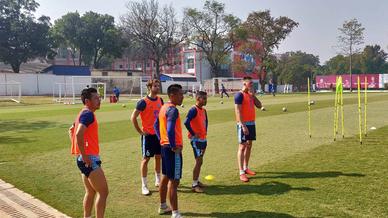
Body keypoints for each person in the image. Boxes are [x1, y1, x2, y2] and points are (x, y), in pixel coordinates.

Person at [69, 88, 108, 218]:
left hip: (84, 158)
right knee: (103, 192)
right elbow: (78, 133)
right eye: (96, 98)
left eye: (99, 97)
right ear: (87, 101)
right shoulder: (88, 114)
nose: (99, 100)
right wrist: (85, 155)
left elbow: (71, 131)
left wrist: (80, 154)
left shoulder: (82, 113)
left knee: (90, 192)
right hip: (89, 158)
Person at [155, 84, 184, 218]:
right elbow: (171, 129)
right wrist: (173, 145)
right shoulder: (172, 110)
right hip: (172, 149)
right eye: (180, 94)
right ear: (172, 96)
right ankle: (175, 213)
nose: (182, 96)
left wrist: (162, 139)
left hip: (164, 147)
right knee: (174, 181)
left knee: (166, 177)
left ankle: (162, 206)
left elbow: (156, 125)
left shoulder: (163, 108)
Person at [131, 79, 164, 196]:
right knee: (146, 159)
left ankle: (158, 180)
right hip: (148, 136)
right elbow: (133, 117)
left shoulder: (160, 100)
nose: (157, 87)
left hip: (159, 135)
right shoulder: (143, 102)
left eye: (158, 85)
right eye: (155, 86)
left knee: (158, 157)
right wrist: (140, 131)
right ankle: (144, 185)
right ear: (150, 87)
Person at [234, 76, 262, 182]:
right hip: (243, 124)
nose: (252, 85)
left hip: (251, 123)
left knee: (249, 145)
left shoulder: (250, 95)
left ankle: (246, 168)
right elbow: (238, 111)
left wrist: (253, 96)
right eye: (250, 83)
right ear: (244, 84)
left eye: (252, 83)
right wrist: (243, 125)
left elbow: (259, 105)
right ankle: (241, 172)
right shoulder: (239, 95)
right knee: (242, 146)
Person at [184, 91, 208, 193]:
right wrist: (193, 133)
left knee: (200, 161)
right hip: (196, 140)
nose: (206, 100)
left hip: (203, 139)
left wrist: (204, 131)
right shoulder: (193, 110)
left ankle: (197, 181)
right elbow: (186, 122)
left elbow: (206, 122)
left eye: (206, 98)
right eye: (204, 98)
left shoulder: (203, 110)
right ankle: (194, 184)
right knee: (199, 161)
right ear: (198, 99)